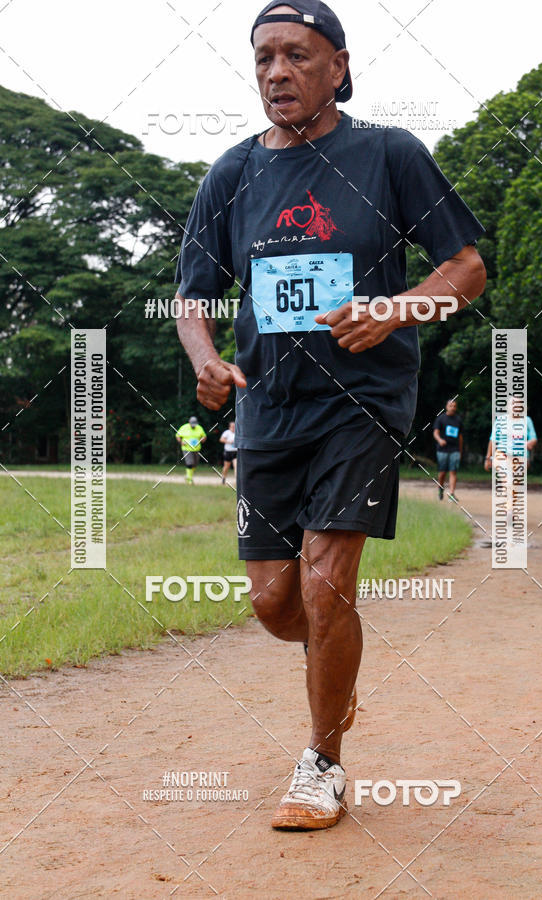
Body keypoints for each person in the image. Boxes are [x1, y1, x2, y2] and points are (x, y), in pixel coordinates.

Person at [175, 0, 486, 830]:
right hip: (269, 406)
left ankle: (322, 764)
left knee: (324, 580)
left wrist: (397, 311)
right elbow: (194, 297)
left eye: (299, 56)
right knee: (278, 603)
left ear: (339, 65)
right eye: (266, 57)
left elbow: (465, 266)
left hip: (364, 398)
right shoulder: (231, 174)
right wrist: (208, 361)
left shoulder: (389, 154)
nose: (279, 72)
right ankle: (333, 668)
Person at [484, 402, 537, 471]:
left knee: (515, 480)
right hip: (502, 454)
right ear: (508, 406)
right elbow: (493, 440)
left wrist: (530, 443)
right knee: (506, 478)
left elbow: (534, 438)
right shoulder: (500, 420)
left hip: (520, 456)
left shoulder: (527, 420)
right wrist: (488, 458)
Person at [433, 398, 463, 503]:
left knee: (453, 472)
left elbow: (460, 437)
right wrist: (440, 440)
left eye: (454, 406)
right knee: (442, 473)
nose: (453, 408)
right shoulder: (441, 419)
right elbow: (435, 433)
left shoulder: (458, 420)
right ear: (447, 407)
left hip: (454, 449)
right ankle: (440, 489)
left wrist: (460, 451)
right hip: (442, 450)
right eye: (451, 406)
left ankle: (451, 494)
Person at [175, 415, 207, 484]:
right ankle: (189, 479)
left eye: (194, 425)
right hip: (186, 448)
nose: (193, 426)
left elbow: (204, 436)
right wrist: (181, 442)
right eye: (192, 424)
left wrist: (202, 439)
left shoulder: (199, 428)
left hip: (196, 449)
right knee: (190, 463)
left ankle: (188, 476)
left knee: (195, 464)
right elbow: (177, 435)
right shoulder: (184, 427)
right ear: (189, 422)